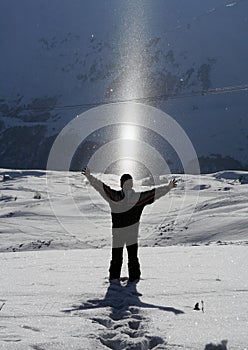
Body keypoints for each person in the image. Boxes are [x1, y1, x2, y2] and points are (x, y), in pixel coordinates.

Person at [82, 167, 177, 283]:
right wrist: (89, 177)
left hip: (125, 234)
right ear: (123, 185)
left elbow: (154, 193)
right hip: (122, 234)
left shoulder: (121, 197)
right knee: (121, 258)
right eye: (126, 183)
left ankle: (127, 280)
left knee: (128, 258)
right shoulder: (121, 197)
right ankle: (117, 280)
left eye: (129, 183)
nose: (128, 185)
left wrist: (168, 187)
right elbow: (102, 187)